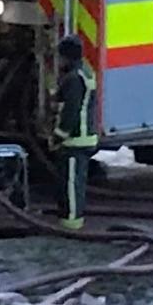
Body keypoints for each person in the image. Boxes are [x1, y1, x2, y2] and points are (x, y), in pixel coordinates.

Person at [52, 35, 98, 231]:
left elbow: (71, 110)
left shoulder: (73, 79)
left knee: (71, 184)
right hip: (83, 138)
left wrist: (58, 135)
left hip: (76, 139)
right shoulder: (83, 73)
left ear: (67, 56)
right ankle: (70, 219)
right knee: (74, 180)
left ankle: (71, 223)